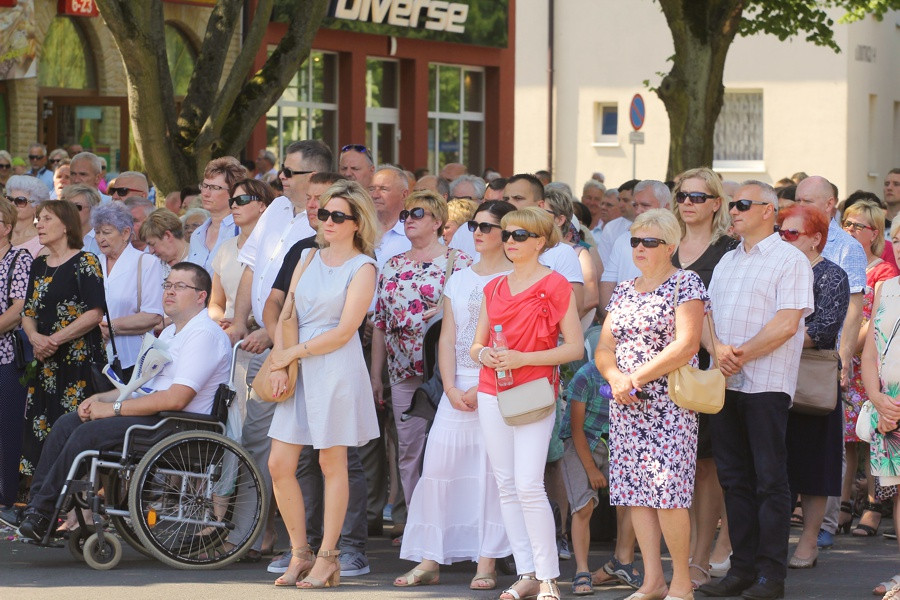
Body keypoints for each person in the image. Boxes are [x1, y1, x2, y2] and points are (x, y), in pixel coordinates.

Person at [0, 262, 231, 541]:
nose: (169, 291)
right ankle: (38, 510)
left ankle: (42, 511)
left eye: (180, 286)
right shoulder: (171, 332)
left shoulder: (203, 334)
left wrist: (112, 409)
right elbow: (139, 386)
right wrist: (98, 399)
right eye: (167, 285)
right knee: (68, 422)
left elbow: (177, 398)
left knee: (88, 432)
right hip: (155, 417)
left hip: (179, 426)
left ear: (201, 296)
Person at [698, 181, 814, 600]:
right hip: (724, 383)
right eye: (732, 204)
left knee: (769, 480)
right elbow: (705, 319)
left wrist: (738, 355)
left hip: (765, 385)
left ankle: (771, 577)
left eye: (743, 204)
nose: (734, 211)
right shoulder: (728, 260)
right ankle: (742, 570)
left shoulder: (790, 260)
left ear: (770, 210)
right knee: (733, 479)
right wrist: (718, 351)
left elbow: (787, 324)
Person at [265, 181, 380, 589]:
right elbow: (287, 313)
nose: (326, 220)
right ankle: (300, 552)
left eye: (337, 216)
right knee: (280, 463)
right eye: (324, 213)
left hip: (334, 366)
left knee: (332, 463)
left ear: (356, 223)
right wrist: (280, 361)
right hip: (297, 362)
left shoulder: (363, 267)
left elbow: (346, 331)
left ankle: (328, 555)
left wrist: (291, 355)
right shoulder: (308, 256)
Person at [394, 200, 513, 589]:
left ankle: (487, 563)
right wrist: (448, 386)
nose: (477, 232)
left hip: (497, 384)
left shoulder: (515, 279)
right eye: (475, 225)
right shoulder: (460, 277)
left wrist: (482, 386)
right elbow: (445, 338)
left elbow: (512, 339)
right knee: (439, 470)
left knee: (490, 475)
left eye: (487, 227)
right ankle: (430, 559)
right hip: (454, 384)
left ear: (506, 234)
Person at [470, 206, 583, 600]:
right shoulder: (494, 287)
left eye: (520, 236)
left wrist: (522, 359)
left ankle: (549, 576)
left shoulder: (555, 285)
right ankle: (527, 572)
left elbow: (573, 348)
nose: (511, 241)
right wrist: (487, 356)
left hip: (534, 390)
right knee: (505, 483)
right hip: (492, 389)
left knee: (528, 484)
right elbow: (476, 345)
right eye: (507, 234)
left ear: (540, 241)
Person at [595, 209, 707, 600]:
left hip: (668, 404)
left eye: (650, 242)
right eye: (635, 241)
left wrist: (635, 378)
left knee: (668, 494)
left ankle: (681, 583)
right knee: (635, 494)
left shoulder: (685, 282)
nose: (639, 248)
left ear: (671, 246)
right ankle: (652, 581)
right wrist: (614, 377)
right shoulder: (624, 289)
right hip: (625, 403)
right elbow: (605, 346)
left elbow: (687, 344)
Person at [371, 190, 472, 527]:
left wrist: (447, 309)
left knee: (450, 450)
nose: (409, 220)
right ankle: (418, 525)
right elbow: (381, 325)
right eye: (406, 215)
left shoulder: (459, 262)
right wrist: (375, 376)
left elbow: (475, 314)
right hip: (402, 370)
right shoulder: (393, 264)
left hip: (447, 372)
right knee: (408, 448)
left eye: (418, 213)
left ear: (438, 221)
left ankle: (453, 523)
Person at [670, 167, 739, 589]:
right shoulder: (661, 243)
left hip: (709, 367)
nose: (688, 203)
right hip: (665, 368)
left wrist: (719, 352)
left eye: (698, 196)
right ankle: (682, 556)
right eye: (682, 195)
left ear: (717, 203)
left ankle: (707, 552)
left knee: (710, 465)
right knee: (680, 468)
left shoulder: (730, 250)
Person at [772, 204, 850, 570]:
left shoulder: (832, 275)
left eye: (791, 233)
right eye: (780, 231)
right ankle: (769, 541)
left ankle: (808, 541)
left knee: (815, 466)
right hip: (770, 376)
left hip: (810, 382)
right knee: (774, 464)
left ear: (816, 239)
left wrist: (766, 339)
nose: (782, 239)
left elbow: (822, 331)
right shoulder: (772, 268)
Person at [19, 201, 106, 477]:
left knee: (75, 431)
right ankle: (43, 502)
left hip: (78, 363)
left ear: (66, 225)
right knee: (42, 430)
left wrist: (52, 340)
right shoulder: (38, 264)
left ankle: (76, 509)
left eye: (46, 219)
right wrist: (34, 337)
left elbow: (94, 313)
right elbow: (28, 311)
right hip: (46, 364)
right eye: (37, 219)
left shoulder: (86, 261)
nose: (38, 224)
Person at [840, 200, 899, 537]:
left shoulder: (883, 272)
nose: (849, 230)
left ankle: (873, 506)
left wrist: (848, 348)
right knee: (849, 440)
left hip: (880, 378)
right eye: (846, 223)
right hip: (864, 376)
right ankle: (846, 504)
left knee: (870, 443)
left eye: (858, 226)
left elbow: (868, 325)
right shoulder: (878, 284)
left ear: (874, 232)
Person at [860, 219, 900, 597]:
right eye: (898, 238)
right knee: (899, 492)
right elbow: (871, 352)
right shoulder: (887, 287)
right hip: (887, 409)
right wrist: (876, 398)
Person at [92, 203, 165, 380]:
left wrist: (110, 327)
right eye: (97, 232)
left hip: (134, 360)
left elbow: (153, 316)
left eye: (107, 232)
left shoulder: (146, 263)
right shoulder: (93, 263)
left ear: (125, 233)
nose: (101, 238)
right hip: (97, 360)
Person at [0, 199, 33, 508]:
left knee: (7, 429)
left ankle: (5, 498)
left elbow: (20, 307)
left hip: (6, 358)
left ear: (6, 227)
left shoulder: (18, 258)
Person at [209, 179, 274, 329]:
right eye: (232, 201)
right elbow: (216, 302)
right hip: (228, 336)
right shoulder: (225, 248)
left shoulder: (276, 248)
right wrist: (222, 322)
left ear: (262, 205)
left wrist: (243, 321)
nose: (234, 206)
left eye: (242, 200)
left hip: (263, 337)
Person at [187, 157, 245, 275]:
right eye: (205, 185)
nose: (205, 193)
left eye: (215, 188)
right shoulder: (197, 234)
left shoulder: (241, 231)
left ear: (233, 192)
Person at [6, 175, 49, 257]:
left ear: (37, 208)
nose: (13, 204)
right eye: (10, 199)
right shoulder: (2, 234)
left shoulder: (42, 242)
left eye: (20, 201)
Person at [60, 184, 102, 257]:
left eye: (77, 207)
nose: (71, 211)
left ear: (93, 209)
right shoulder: (59, 236)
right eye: (67, 206)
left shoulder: (103, 239)